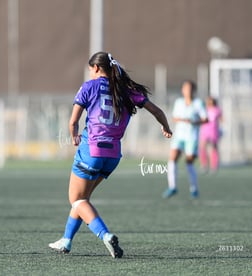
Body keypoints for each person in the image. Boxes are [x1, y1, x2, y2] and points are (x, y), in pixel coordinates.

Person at [49, 52, 172, 258]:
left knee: (76, 199)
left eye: (91, 69)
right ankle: (66, 240)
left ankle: (106, 235)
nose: (90, 73)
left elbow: (72, 122)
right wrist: (166, 127)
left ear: (96, 69)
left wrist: (74, 137)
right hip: (113, 155)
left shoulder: (90, 86)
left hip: (92, 151)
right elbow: (157, 111)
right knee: (83, 199)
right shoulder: (125, 89)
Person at [162, 80, 207, 199]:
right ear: (183, 90)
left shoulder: (198, 103)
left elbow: (205, 119)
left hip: (192, 137)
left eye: (190, 88)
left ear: (194, 90)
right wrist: (182, 120)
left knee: (189, 162)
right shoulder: (179, 102)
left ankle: (194, 189)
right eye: (186, 88)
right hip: (179, 135)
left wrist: (193, 121)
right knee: (172, 158)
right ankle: (172, 187)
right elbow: (174, 117)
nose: (188, 90)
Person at [199, 97, 222, 173]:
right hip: (205, 130)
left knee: (214, 148)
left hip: (213, 131)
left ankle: (214, 165)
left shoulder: (217, 110)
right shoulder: (205, 109)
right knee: (202, 147)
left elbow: (221, 119)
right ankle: (204, 165)